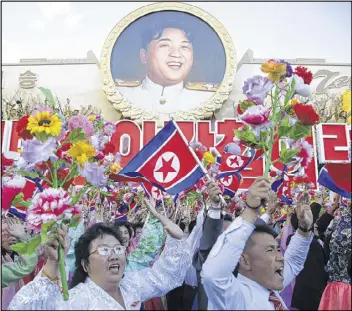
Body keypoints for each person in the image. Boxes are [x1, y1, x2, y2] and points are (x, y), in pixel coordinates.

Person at [8, 199, 192, 310]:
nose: (114, 255)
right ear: (85, 265)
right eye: (104, 250)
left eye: (118, 249)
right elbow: (26, 306)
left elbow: (164, 277)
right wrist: (52, 263)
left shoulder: (131, 286)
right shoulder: (79, 299)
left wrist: (176, 238)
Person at [201, 177, 314, 310]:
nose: (280, 257)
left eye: (277, 249)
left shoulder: (266, 283)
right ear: (245, 261)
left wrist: (304, 229)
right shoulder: (236, 297)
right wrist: (250, 211)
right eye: (270, 250)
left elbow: (294, 262)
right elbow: (213, 276)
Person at [194, 182, 282, 310]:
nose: (231, 240)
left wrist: (266, 213)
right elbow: (208, 243)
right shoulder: (211, 263)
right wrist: (215, 206)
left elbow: (250, 234)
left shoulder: (252, 264)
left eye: (233, 234)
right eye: (225, 236)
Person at [116, 20, 217, 117]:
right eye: (165, 45)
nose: (176, 54)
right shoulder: (122, 93)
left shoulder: (206, 98)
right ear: (144, 56)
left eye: (184, 47)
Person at [318, 200, 351, 310]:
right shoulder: (342, 225)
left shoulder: (338, 223)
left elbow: (325, 237)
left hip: (335, 287)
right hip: (344, 290)